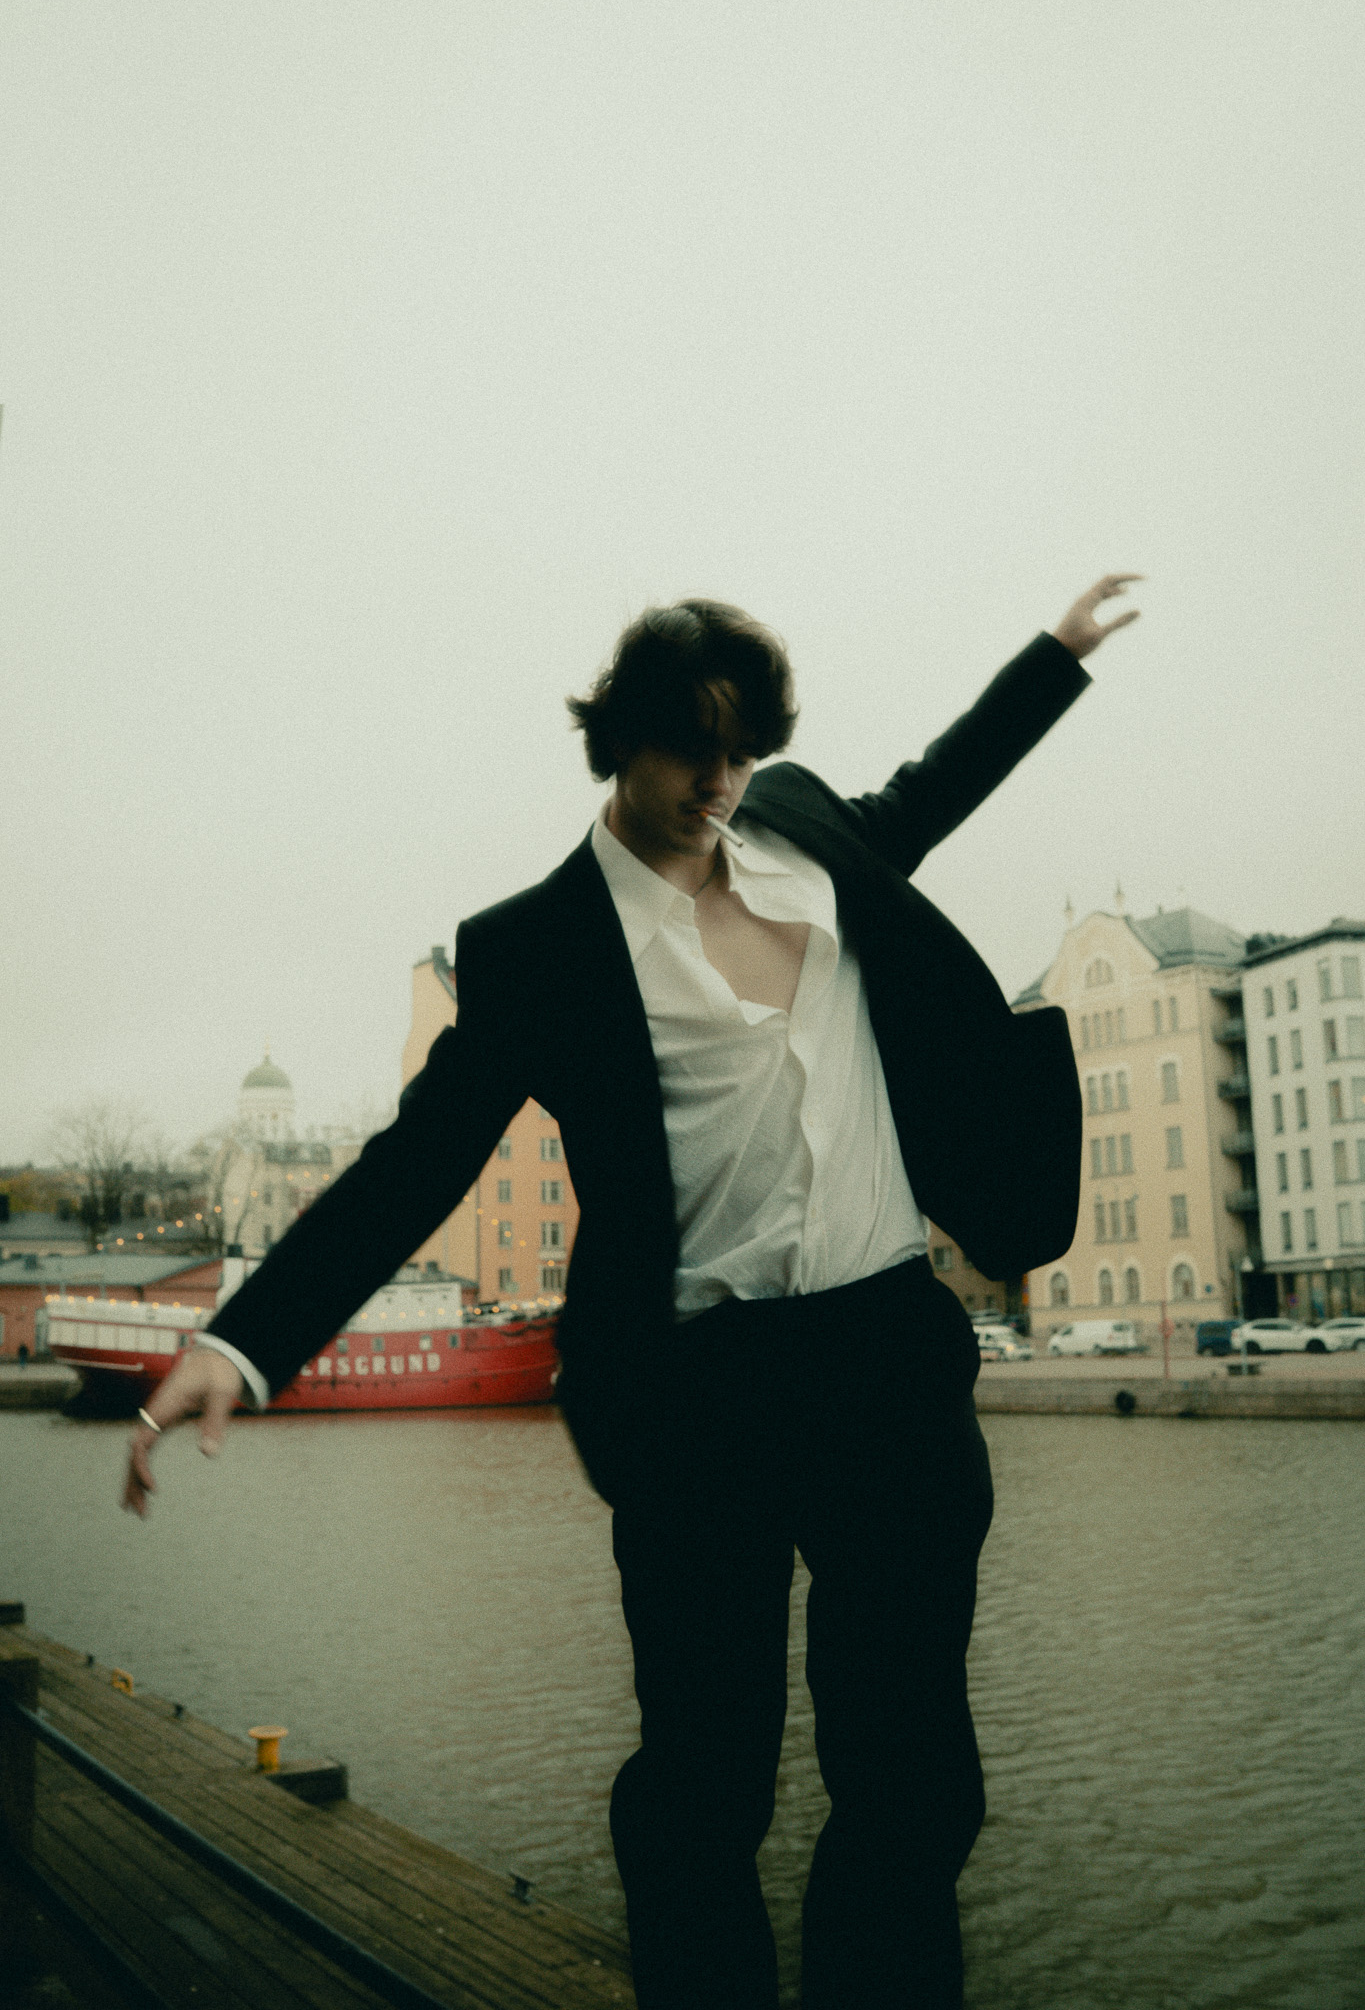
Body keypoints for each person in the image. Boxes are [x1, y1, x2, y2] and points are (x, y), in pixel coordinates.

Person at [123, 574, 1140, 2009]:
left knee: (913, 1776)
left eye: (744, 751)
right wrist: (243, 1342)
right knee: (703, 1788)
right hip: (696, 1395)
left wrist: (1055, 656)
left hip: (886, 1366)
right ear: (618, 742)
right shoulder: (534, 944)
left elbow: (934, 785)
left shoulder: (801, 827)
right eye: (691, 751)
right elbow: (416, 1164)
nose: (719, 784)